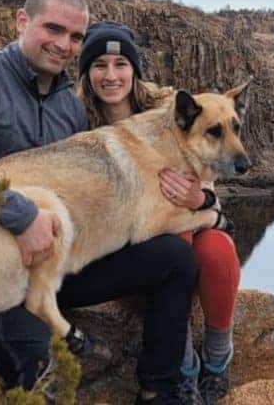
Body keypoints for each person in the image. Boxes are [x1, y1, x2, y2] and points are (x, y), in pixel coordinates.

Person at [0, 0, 203, 404]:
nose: (64, 45)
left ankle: (159, 389)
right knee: (36, 369)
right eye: (53, 29)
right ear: (22, 21)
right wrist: (20, 216)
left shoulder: (70, 106)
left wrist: (200, 201)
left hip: (54, 259)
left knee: (174, 259)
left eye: (75, 37)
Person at [76, 21, 241, 405]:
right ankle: (180, 364)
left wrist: (203, 202)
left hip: (186, 216)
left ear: (135, 69)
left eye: (121, 64)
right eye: (99, 65)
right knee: (173, 241)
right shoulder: (75, 120)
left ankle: (217, 362)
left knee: (217, 250)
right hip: (131, 240)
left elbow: (206, 176)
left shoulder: (170, 108)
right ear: (86, 72)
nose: (111, 75)